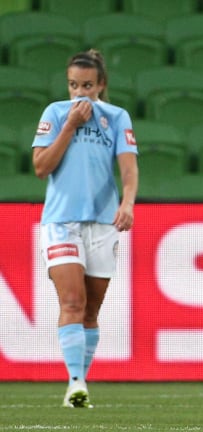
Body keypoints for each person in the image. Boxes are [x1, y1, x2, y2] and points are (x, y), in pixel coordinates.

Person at [32, 49, 139, 408]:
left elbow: (127, 167)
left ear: (101, 85)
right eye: (74, 85)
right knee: (72, 301)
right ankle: (76, 383)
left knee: (92, 310)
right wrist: (70, 126)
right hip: (62, 221)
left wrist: (127, 202)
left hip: (103, 222)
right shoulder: (55, 113)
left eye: (87, 86)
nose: (80, 93)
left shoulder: (116, 117)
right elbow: (41, 167)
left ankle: (79, 379)